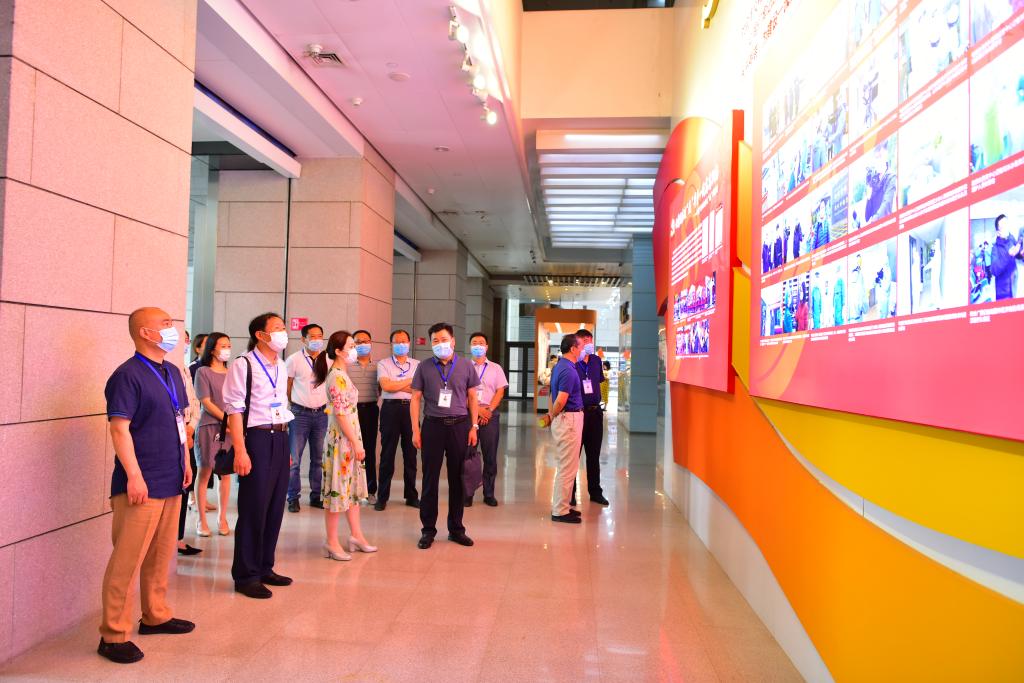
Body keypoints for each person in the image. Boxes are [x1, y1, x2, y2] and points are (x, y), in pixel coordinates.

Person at [99, 307, 195, 664]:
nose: (172, 329)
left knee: (160, 555)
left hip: (172, 477)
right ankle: (113, 634)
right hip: (141, 482)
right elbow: (119, 429)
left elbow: (179, 422)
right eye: (165, 324)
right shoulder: (127, 376)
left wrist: (186, 462)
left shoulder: (171, 372)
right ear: (144, 332)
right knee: (127, 561)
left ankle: (155, 615)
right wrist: (134, 476)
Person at [222, 312, 294, 599]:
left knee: (275, 506)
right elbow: (234, 410)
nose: (283, 332)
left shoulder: (281, 366)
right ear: (260, 335)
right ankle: (246, 575)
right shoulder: (244, 364)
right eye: (277, 328)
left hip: (281, 435)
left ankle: (265, 566)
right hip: (256, 438)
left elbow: (282, 404)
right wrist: (240, 451)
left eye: (283, 327)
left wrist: (287, 448)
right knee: (254, 507)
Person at [410, 322, 480, 549]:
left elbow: (473, 398)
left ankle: (456, 529)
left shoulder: (466, 365)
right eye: (435, 341)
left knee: (458, 478)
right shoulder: (424, 367)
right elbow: (415, 398)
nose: (440, 344)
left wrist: (474, 427)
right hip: (433, 427)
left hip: (460, 426)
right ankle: (428, 530)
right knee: (430, 479)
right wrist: (415, 429)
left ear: (453, 341)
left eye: (444, 339)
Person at [313, 331, 378, 561]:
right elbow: (340, 414)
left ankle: (356, 535)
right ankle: (331, 542)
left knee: (352, 490)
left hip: (349, 437)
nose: (355, 349)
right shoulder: (336, 376)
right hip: (342, 440)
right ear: (339, 351)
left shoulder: (342, 374)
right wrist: (356, 442)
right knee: (337, 490)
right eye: (351, 346)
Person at [540, 333, 584, 524]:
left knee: (567, 466)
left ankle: (563, 506)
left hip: (567, 419)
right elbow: (560, 400)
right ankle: (560, 511)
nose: (582, 350)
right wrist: (552, 415)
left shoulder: (560, 366)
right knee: (567, 468)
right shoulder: (568, 370)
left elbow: (553, 396)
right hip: (569, 420)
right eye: (580, 347)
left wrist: (552, 415)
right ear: (573, 348)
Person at [375, 329, 421, 511]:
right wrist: (409, 381)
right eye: (397, 341)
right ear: (391, 344)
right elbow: (386, 386)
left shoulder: (417, 364)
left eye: (404, 341)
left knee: (411, 455)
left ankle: (411, 496)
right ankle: (382, 497)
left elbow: (418, 390)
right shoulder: (383, 363)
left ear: (409, 343)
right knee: (387, 455)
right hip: (390, 410)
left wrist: (396, 385)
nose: (401, 344)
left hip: (411, 409)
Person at [284, 323, 328, 513]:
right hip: (299, 414)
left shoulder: (328, 359)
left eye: (320, 336)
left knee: (318, 458)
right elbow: (287, 385)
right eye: (313, 337)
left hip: (322, 414)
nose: (317, 340)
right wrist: (292, 405)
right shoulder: (294, 359)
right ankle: (293, 497)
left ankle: (316, 495)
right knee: (294, 459)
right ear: (304, 339)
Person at [193, 332, 234, 537]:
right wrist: (227, 421)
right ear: (212, 348)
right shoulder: (203, 372)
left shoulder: (232, 372)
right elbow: (206, 402)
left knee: (225, 473)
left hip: (230, 429)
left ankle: (222, 517)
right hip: (209, 426)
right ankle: (201, 519)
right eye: (223, 345)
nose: (227, 349)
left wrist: (234, 424)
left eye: (228, 345)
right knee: (205, 471)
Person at [464, 332, 508, 508]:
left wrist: (488, 410)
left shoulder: (496, 368)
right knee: (468, 455)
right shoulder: (464, 367)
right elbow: (461, 392)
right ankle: (467, 493)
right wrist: (478, 411)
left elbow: (500, 391)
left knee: (490, 456)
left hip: (490, 415)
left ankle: (489, 493)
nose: (478, 346)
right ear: (470, 346)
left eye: (481, 343)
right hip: (469, 415)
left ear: (487, 347)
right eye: (474, 343)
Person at [570, 329, 608, 508]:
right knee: (573, 456)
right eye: (585, 340)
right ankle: (570, 493)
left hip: (594, 413)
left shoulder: (596, 360)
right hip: (577, 413)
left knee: (594, 455)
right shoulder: (572, 362)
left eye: (590, 340)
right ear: (577, 342)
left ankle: (595, 492)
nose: (589, 344)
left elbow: (598, 381)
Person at [175, 346, 202, 556]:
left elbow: (193, 402)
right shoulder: (168, 369)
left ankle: (178, 537)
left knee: (185, 486)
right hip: (176, 434)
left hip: (188, 432)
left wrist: (191, 427)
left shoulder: (184, 369)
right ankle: (173, 539)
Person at [348, 329, 379, 503]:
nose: (362, 344)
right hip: (351, 411)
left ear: (371, 343)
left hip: (371, 410)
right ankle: (351, 489)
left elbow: (381, 389)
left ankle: (371, 490)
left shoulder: (378, 366)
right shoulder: (347, 365)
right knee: (351, 449)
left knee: (369, 449)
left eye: (366, 341)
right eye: (358, 342)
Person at [991, 214, 1023, 301]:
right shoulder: (995, 248)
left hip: (1014, 284)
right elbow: (994, 270)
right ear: (998, 232)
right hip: (1003, 291)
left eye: (1006, 223)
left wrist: (1021, 254)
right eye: (1003, 225)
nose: (1006, 227)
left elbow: (1016, 254)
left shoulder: (1011, 238)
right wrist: (1008, 255)